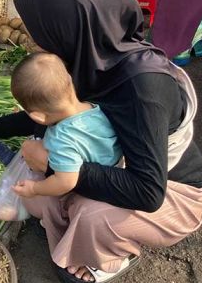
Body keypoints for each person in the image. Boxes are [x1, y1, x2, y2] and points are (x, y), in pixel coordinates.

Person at [0, 0, 202, 283]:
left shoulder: (144, 90)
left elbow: (148, 192)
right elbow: (58, 114)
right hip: (116, 165)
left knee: (90, 213)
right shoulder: (96, 55)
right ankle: (73, 218)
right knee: (36, 191)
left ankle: (110, 257)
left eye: (40, 34)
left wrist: (53, 166)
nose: (33, 42)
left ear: (68, 31)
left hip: (174, 191)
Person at [8, 53, 121, 199]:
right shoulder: (95, 108)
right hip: (113, 170)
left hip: (89, 194)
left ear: (39, 117)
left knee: (33, 201)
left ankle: (54, 217)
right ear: (70, 79)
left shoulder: (61, 139)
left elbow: (65, 182)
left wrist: (35, 189)